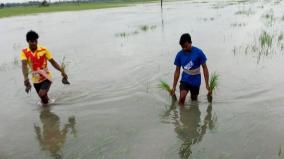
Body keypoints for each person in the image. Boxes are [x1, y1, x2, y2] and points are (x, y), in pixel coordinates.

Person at [21, 30, 69, 105]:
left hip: (46, 77)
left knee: (42, 94)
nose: (34, 43)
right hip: (35, 79)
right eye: (31, 41)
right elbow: (24, 65)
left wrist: (62, 71)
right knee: (43, 100)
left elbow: (53, 62)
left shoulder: (44, 50)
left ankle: (47, 113)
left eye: (35, 41)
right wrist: (26, 78)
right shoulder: (24, 52)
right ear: (28, 41)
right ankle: (48, 108)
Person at [171, 33, 209, 106]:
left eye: (186, 46)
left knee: (194, 100)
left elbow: (205, 68)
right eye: (182, 47)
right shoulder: (179, 55)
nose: (184, 49)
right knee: (182, 97)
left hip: (196, 80)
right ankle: (181, 115)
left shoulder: (199, 53)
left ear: (190, 43)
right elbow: (177, 71)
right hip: (185, 79)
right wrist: (174, 87)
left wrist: (207, 84)